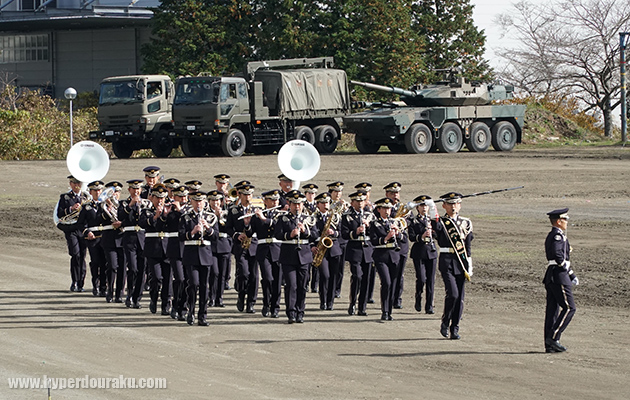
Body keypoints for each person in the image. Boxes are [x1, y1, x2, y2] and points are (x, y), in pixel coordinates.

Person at [432, 192, 473, 340]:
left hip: (461, 261)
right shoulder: (441, 222)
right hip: (446, 260)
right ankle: (445, 320)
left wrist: (469, 263)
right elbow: (436, 229)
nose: (453, 206)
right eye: (450, 204)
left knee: (460, 296)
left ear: (460, 205)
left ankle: (454, 327)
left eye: (456, 203)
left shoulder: (466, 222)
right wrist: (431, 209)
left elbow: (467, 245)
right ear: (444, 205)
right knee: (453, 294)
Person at [274, 190, 318, 323]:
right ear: (289, 204)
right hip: (288, 255)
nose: (297, 207)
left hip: (304, 255)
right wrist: (290, 235)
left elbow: (316, 235)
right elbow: (278, 234)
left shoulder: (308, 219)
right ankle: (291, 312)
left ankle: (300, 311)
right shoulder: (282, 218)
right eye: (294, 204)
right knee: (291, 285)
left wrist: (306, 230)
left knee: (302, 285)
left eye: (299, 204)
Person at [179, 190, 218, 326]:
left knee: (204, 287)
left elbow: (215, 236)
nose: (198, 204)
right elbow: (181, 235)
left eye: (200, 201)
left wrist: (208, 228)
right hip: (191, 254)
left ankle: (203, 315)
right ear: (191, 201)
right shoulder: (186, 217)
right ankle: (191, 311)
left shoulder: (210, 217)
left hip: (205, 254)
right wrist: (193, 232)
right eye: (196, 201)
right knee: (193, 284)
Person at [543, 208, 578, 353]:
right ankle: (554, 338)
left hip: (554, 275)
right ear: (558, 221)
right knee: (570, 308)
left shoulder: (555, 235)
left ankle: (549, 343)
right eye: (565, 220)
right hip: (558, 276)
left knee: (553, 310)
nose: (567, 222)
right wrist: (566, 270)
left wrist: (572, 274)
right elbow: (559, 256)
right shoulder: (557, 236)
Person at [139, 183, 172, 315]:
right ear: (152, 198)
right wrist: (155, 217)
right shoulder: (146, 211)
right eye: (157, 198)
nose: (160, 201)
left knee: (168, 278)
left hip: (168, 248)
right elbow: (142, 223)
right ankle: (153, 299)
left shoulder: (170, 211)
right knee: (157, 277)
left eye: (162, 198)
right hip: (153, 248)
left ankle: (166, 304)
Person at [226, 183, 259, 313]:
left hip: (254, 244)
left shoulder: (257, 209)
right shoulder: (234, 210)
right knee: (244, 274)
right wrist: (236, 235)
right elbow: (228, 227)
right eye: (245, 194)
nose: (247, 197)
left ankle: (251, 302)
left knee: (254, 276)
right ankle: (241, 295)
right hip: (240, 245)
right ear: (239, 194)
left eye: (249, 194)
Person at [369, 197, 403, 321]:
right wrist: (386, 237)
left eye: (389, 208)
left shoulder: (393, 222)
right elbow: (373, 240)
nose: (387, 211)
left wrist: (398, 233)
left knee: (393, 283)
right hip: (381, 256)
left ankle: (390, 311)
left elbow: (403, 239)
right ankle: (385, 310)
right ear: (379, 209)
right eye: (384, 208)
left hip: (394, 255)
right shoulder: (374, 223)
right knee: (386, 282)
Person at [340, 190, 373, 316]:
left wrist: (369, 226)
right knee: (357, 276)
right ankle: (353, 302)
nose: (360, 203)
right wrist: (356, 231)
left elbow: (376, 233)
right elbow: (344, 234)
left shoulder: (370, 215)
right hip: (355, 249)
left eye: (362, 201)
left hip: (368, 249)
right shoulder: (347, 216)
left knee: (366, 279)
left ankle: (362, 306)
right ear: (352, 202)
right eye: (357, 201)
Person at [118, 179, 149, 309]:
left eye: (138, 189)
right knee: (133, 268)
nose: (136, 191)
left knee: (142, 270)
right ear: (129, 190)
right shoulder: (124, 203)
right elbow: (120, 217)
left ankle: (137, 297)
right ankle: (130, 294)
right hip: (130, 239)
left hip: (143, 238)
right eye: (133, 189)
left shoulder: (146, 203)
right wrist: (130, 205)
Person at [252, 190, 283, 318]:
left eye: (276, 200)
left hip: (277, 249)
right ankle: (266, 303)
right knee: (267, 278)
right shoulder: (257, 215)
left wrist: (264, 219)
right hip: (263, 249)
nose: (275, 202)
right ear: (265, 201)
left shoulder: (282, 215)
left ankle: (275, 306)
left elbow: (278, 228)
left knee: (277, 280)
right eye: (272, 200)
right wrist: (248, 223)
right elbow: (250, 232)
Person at [56, 175, 89, 292]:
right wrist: (71, 209)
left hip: (82, 229)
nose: (77, 185)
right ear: (70, 184)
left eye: (79, 183)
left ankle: (81, 283)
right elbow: (59, 213)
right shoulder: (65, 197)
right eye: (74, 183)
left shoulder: (85, 196)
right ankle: (74, 281)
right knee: (75, 255)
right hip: (71, 229)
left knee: (82, 257)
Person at [311, 192, 343, 310]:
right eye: (323, 203)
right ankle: (323, 300)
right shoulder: (313, 217)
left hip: (333, 248)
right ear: (318, 204)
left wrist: (333, 233)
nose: (326, 205)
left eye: (328, 202)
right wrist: (312, 245)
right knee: (325, 275)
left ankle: (330, 302)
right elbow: (311, 234)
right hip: (320, 249)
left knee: (333, 276)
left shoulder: (335, 216)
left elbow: (341, 232)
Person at [407, 195, 438, 314]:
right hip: (419, 252)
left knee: (431, 280)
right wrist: (422, 236)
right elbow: (411, 237)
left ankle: (429, 305)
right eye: (421, 206)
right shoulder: (414, 221)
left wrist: (433, 232)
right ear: (417, 207)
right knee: (421, 278)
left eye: (425, 205)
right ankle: (418, 297)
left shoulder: (431, 220)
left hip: (431, 251)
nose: (424, 208)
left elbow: (438, 234)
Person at [76, 180, 107, 297]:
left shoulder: (107, 205)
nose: (98, 192)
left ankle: (104, 286)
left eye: (99, 190)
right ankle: (96, 284)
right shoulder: (87, 207)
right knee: (95, 262)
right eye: (95, 190)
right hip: (93, 238)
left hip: (105, 237)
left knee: (105, 262)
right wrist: (87, 232)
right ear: (90, 191)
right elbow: (80, 224)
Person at [98, 181, 125, 303]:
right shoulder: (102, 206)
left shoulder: (124, 205)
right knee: (112, 266)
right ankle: (110, 290)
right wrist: (106, 211)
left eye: (117, 192)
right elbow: (97, 219)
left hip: (123, 240)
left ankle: (119, 294)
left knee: (122, 268)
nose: (115, 195)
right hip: (109, 240)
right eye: (112, 192)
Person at [383, 181, 408, 309]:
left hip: (401, 244)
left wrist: (399, 223)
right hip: (387, 246)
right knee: (389, 275)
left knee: (399, 273)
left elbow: (408, 223)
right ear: (387, 194)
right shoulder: (383, 206)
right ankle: (388, 298)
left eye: (397, 193)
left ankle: (397, 298)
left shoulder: (403, 209)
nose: (395, 195)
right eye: (392, 193)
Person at [166, 185, 189, 320]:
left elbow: (189, 223)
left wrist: (180, 210)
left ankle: (183, 307)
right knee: (179, 279)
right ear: (174, 196)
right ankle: (175, 304)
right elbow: (165, 224)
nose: (183, 199)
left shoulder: (189, 211)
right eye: (180, 196)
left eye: (185, 196)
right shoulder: (170, 211)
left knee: (188, 281)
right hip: (175, 248)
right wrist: (163, 214)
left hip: (188, 249)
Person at [207, 189, 231, 308]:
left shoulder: (226, 213)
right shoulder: (207, 214)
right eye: (213, 200)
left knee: (222, 274)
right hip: (211, 245)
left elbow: (229, 228)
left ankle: (219, 298)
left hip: (224, 244)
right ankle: (211, 296)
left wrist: (221, 217)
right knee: (214, 272)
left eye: (217, 200)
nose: (215, 203)